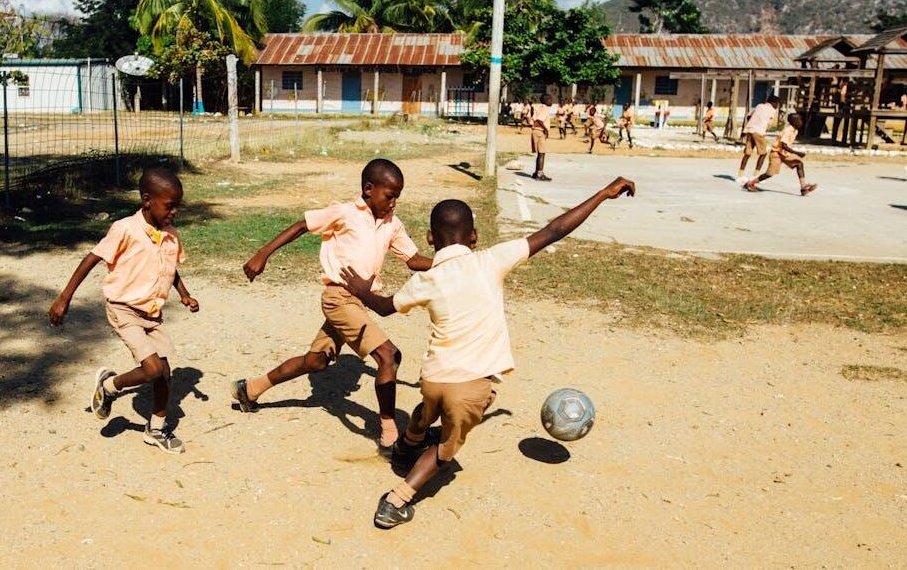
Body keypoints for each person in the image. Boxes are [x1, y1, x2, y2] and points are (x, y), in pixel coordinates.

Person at [338, 177, 636, 529]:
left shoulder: (426, 279)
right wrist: (602, 193)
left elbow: (386, 307)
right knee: (446, 449)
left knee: (428, 409)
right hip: (470, 387)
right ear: (474, 237)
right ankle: (397, 500)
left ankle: (409, 444)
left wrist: (361, 288)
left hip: (433, 379)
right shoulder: (491, 260)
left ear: (431, 240)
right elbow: (555, 229)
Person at [232, 159, 433, 450]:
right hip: (338, 299)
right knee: (389, 357)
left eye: (398, 197)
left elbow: (413, 260)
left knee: (316, 360)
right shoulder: (344, 213)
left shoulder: (393, 224)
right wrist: (263, 254)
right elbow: (302, 225)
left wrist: (454, 259)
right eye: (389, 195)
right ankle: (390, 433)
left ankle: (250, 389)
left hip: (358, 302)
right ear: (368, 189)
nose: (393, 203)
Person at [49, 167, 199, 454]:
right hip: (124, 309)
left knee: (164, 373)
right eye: (169, 206)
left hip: (152, 314)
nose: (174, 212)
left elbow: (170, 268)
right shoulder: (125, 229)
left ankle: (155, 429)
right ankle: (110, 386)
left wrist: (184, 294)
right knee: (152, 368)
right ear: (147, 200)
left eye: (177, 206)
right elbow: (92, 258)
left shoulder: (170, 234)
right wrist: (64, 298)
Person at [743, 113, 817, 196]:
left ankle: (803, 187)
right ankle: (750, 183)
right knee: (770, 174)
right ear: (794, 122)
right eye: (799, 120)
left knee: (799, 163)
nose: (801, 122)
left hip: (784, 153)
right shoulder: (788, 130)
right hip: (776, 154)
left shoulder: (795, 130)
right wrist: (797, 153)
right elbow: (783, 146)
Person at [737, 95, 781, 182]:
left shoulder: (759, 105)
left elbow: (749, 115)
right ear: (773, 103)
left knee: (747, 154)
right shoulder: (772, 110)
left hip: (750, 130)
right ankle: (755, 176)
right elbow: (771, 123)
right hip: (759, 132)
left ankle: (740, 176)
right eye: (777, 104)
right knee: (763, 154)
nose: (777, 106)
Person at [531, 94, 553, 181]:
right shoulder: (545, 109)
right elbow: (539, 120)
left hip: (535, 131)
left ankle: (536, 172)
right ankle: (540, 174)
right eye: (550, 99)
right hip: (540, 132)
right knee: (542, 153)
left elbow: (534, 119)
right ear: (546, 100)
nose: (551, 101)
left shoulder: (539, 108)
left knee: (540, 153)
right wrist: (546, 130)